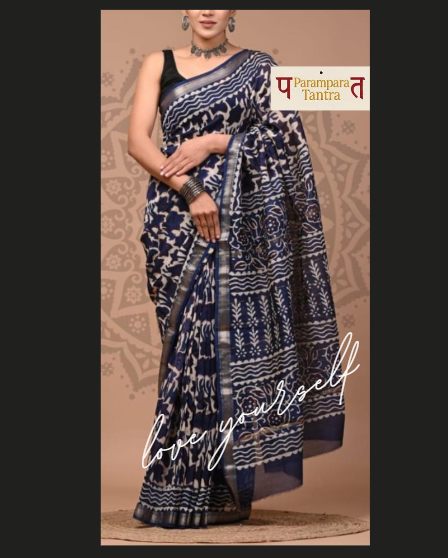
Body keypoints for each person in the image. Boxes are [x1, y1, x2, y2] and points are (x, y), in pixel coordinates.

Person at [127, 9, 345, 530]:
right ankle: (175, 487)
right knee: (186, 351)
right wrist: (191, 189)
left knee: (218, 350)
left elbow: (289, 140)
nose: (207, 10)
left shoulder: (262, 68)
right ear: (185, 11)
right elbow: (137, 142)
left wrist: (215, 142)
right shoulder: (158, 62)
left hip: (240, 224)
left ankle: (220, 491)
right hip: (174, 221)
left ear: (233, 11)